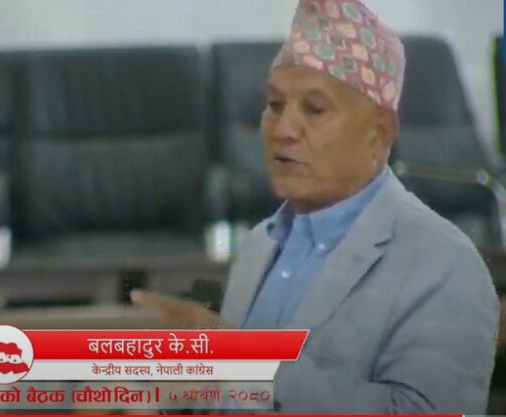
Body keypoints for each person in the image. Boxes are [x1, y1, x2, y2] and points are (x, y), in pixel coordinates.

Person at [132, 0, 500, 413]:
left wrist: (242, 360)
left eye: (315, 108)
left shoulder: (444, 264)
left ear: (378, 133)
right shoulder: (258, 246)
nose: (284, 130)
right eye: (274, 105)